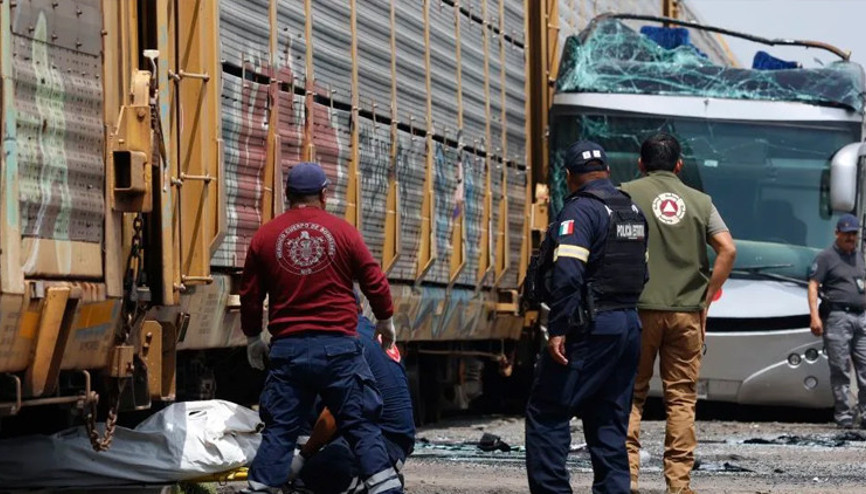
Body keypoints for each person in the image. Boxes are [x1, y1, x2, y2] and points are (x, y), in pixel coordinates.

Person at [240, 162, 403, 494]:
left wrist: (253, 337)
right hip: (339, 351)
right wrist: (385, 319)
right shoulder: (343, 232)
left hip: (288, 351)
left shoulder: (265, 237)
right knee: (361, 426)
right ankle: (386, 489)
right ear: (324, 195)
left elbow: (250, 295)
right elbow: (374, 279)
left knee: (280, 431)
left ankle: (259, 488)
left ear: (287, 195)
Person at [525, 140, 649, 494]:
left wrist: (559, 328)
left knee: (547, 412)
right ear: (608, 172)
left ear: (568, 177)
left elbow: (567, 273)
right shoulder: (632, 211)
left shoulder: (581, 211)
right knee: (609, 422)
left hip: (590, 327)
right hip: (627, 326)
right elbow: (643, 273)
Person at [620, 133, 736, 494]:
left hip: (637, 310)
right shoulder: (701, 201)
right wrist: (705, 296)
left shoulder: (625, 194)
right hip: (686, 312)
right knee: (682, 399)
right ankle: (678, 485)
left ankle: (628, 479)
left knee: (630, 396)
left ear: (641, 163)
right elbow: (727, 250)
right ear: (680, 166)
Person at [288, 313, 415, 493]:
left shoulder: (344, 340)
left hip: (382, 441)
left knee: (310, 480)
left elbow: (334, 410)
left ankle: (362, 483)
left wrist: (303, 458)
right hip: (393, 437)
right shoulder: (367, 330)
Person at [808, 213, 866, 429]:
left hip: (861, 317)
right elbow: (813, 285)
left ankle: (865, 412)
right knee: (840, 368)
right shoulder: (826, 257)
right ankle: (843, 415)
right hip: (838, 317)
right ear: (837, 233)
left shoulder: (859, 257)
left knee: (864, 366)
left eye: (854, 234)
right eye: (847, 234)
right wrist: (814, 316)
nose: (851, 238)